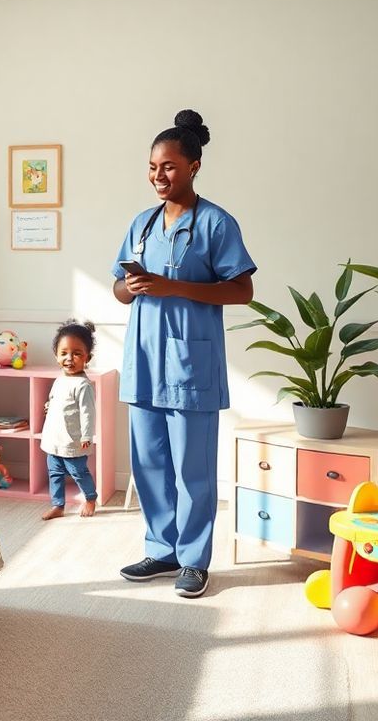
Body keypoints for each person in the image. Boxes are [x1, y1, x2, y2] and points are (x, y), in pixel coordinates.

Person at [112, 110, 256, 598]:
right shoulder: (142, 223)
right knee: (149, 463)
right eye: (153, 167)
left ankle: (194, 560)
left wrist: (173, 287)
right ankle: (162, 549)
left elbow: (241, 290)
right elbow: (118, 288)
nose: (158, 176)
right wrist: (130, 287)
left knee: (192, 468)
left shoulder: (216, 222)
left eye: (169, 167)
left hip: (190, 364)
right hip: (145, 361)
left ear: (194, 166)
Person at [40, 319, 99, 521]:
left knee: (79, 472)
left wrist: (86, 436)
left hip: (73, 440)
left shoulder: (83, 385)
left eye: (77, 354)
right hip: (54, 439)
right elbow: (56, 400)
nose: (69, 358)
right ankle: (58, 505)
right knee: (54, 473)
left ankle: (90, 499)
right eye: (64, 353)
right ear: (56, 355)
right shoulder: (59, 380)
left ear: (87, 358)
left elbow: (87, 412)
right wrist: (49, 406)